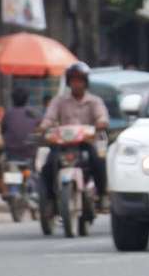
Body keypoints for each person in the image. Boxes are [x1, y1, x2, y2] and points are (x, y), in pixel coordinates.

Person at [38, 62, 110, 195]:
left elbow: (102, 117)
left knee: (98, 161)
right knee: (47, 166)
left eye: (80, 80)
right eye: (73, 80)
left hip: (86, 144)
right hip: (62, 144)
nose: (76, 84)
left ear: (86, 82)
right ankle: (48, 199)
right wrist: (44, 127)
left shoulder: (94, 101)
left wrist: (100, 123)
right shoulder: (59, 101)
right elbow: (49, 118)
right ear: (69, 82)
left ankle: (101, 195)